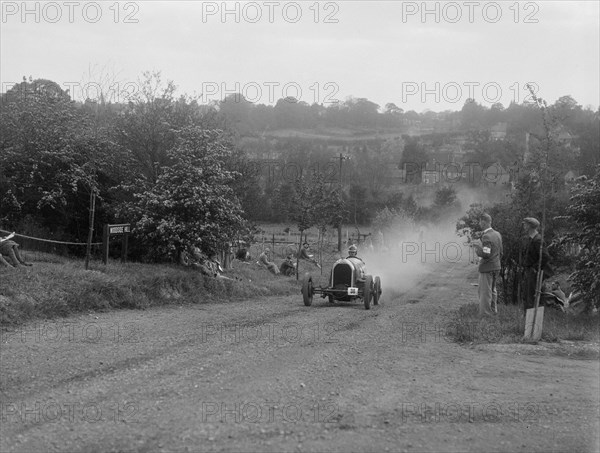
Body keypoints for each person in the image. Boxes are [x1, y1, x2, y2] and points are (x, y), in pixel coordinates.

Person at [470, 214, 503, 316]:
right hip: (496, 266)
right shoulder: (497, 234)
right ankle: (493, 311)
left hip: (487, 268)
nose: (479, 224)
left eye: (480, 222)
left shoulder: (486, 236)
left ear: (484, 222)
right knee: (493, 290)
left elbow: (486, 254)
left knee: (484, 292)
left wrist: (477, 247)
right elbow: (501, 252)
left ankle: (485, 314)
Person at [521, 217, 553, 314]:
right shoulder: (532, 239)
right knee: (527, 293)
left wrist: (535, 268)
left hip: (533, 272)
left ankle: (530, 317)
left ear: (530, 226)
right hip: (529, 270)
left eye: (525, 224)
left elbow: (545, 257)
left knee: (531, 294)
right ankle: (527, 315)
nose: (524, 226)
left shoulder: (538, 240)